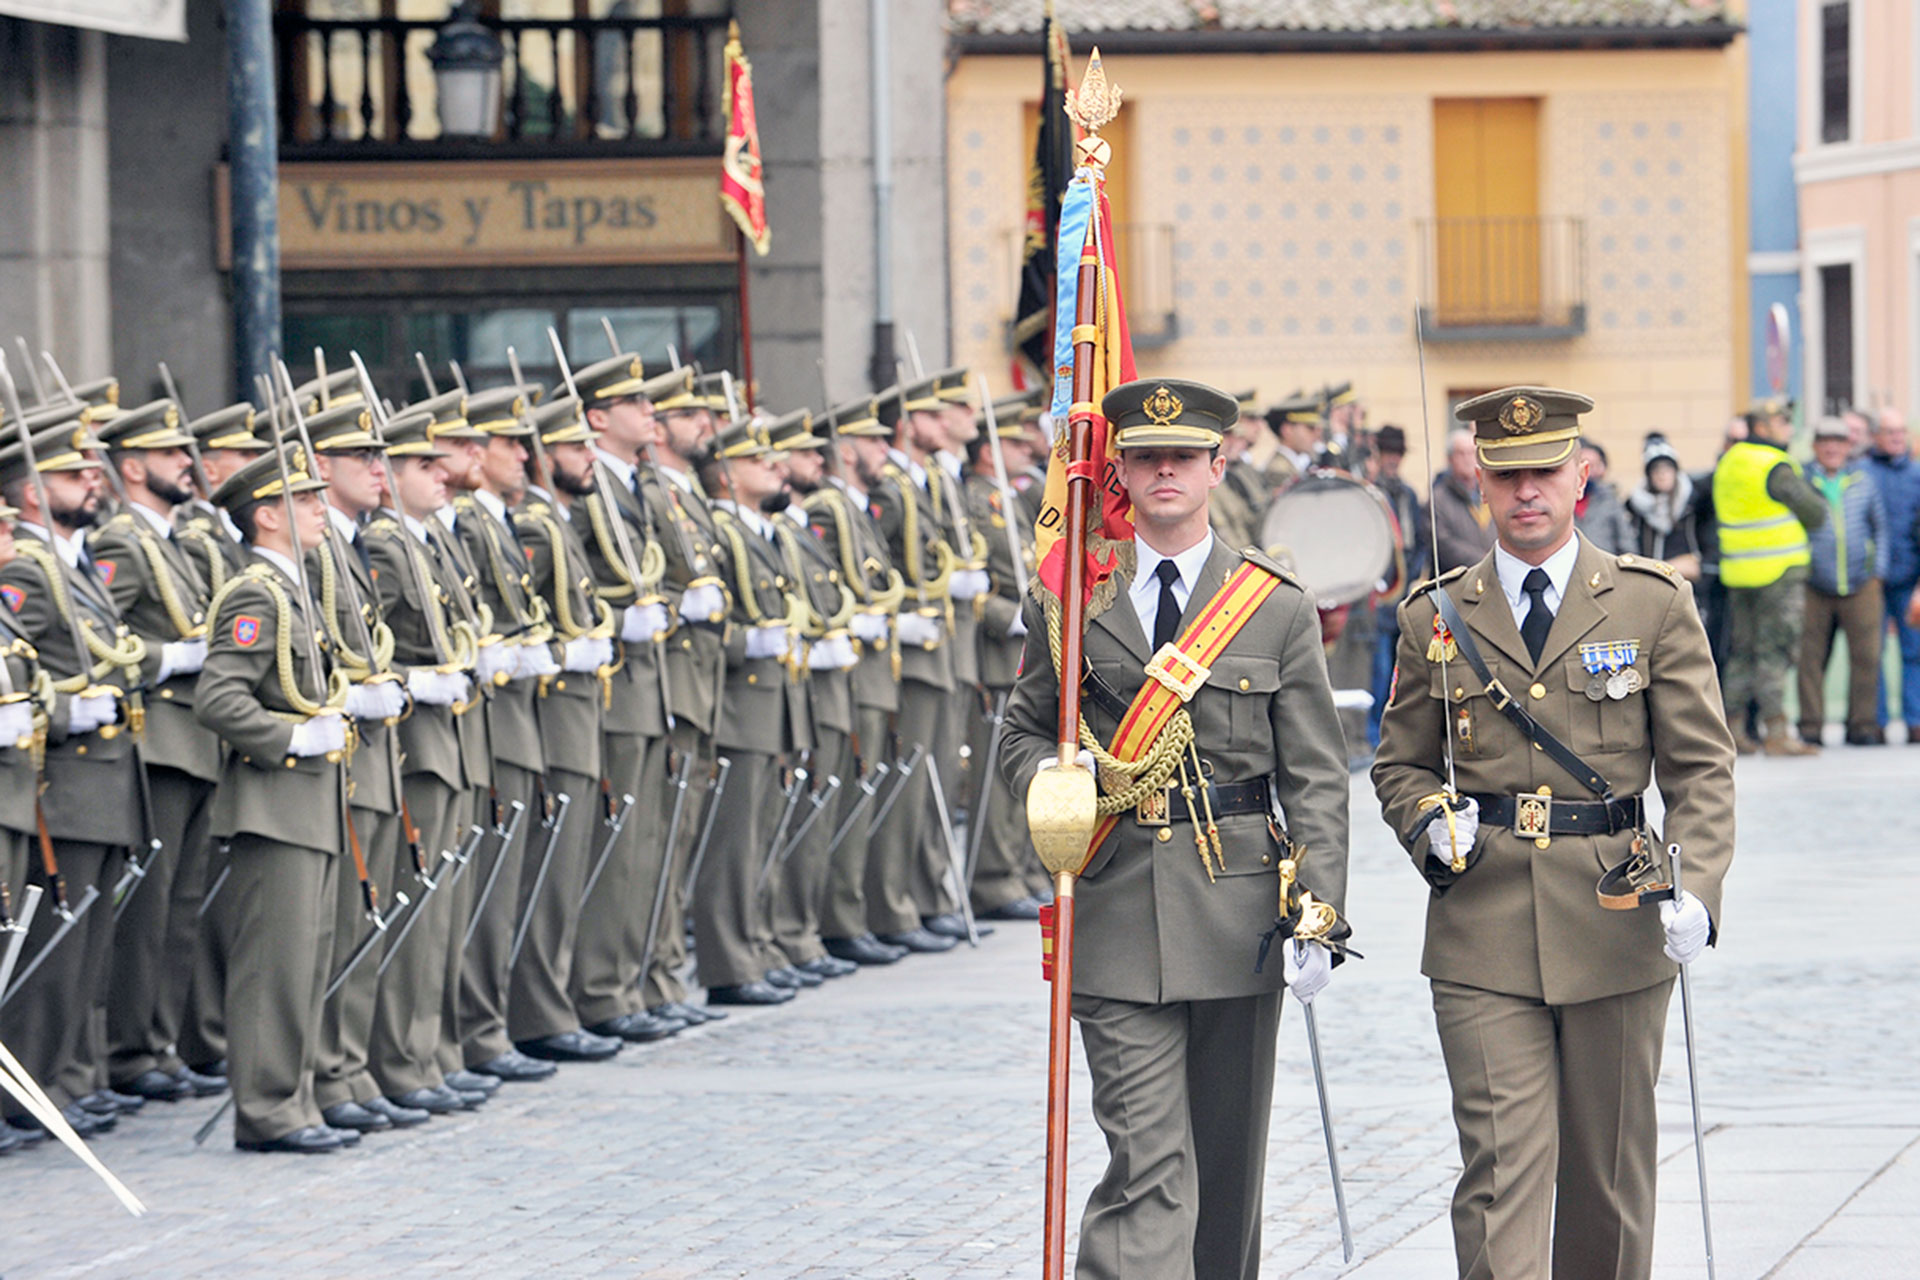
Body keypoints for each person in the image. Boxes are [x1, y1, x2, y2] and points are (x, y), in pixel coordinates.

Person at [1372, 385, 1735, 1280]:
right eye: (1506, 476)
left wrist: (1699, 886)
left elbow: (1700, 768)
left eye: (1544, 473)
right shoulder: (1436, 615)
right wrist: (1428, 823)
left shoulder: (1652, 605)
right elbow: (1401, 765)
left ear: (1581, 477)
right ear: (1480, 489)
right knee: (1498, 1174)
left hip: (1618, 911)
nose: (1525, 491)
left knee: (1609, 1176)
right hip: (1483, 920)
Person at [1001, 377, 1350, 1280]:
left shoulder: (1271, 605)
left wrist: (1320, 910)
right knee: (1149, 1162)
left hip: (1239, 915)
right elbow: (1023, 726)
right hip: (1114, 905)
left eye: (1183, 457)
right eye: (1146, 457)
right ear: (1116, 468)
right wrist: (1055, 782)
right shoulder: (1075, 598)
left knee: (1227, 1171)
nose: (1165, 471)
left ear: (1215, 466)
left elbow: (1313, 774)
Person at [195, 445, 354, 1153]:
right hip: (274, 802)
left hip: (308, 803)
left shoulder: (294, 585)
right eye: (308, 499)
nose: (323, 510)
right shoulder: (256, 592)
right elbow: (218, 697)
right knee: (272, 970)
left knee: (304, 965)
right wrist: (293, 739)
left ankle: (294, 1099)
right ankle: (265, 1110)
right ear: (267, 515)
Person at [0, 418, 145, 1140]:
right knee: (51, 954)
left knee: (85, 952)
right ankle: (26, 1091)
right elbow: (27, 671)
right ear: (30, 493)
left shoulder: (72, 562)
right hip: (69, 781)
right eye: (71, 473)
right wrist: (65, 709)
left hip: (107, 779)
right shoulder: (27, 566)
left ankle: (62, 1079)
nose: (94, 478)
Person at [88, 402, 226, 1107]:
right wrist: (175, 654)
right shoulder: (122, 543)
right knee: (148, 909)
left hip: (195, 738)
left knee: (181, 906)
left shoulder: (171, 541)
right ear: (134, 467)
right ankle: (131, 1048)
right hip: (161, 740)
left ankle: (162, 1042)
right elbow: (95, 639)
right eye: (171, 454)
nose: (188, 463)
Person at [1711, 399, 1827, 755]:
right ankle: (1776, 732)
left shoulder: (1729, 461)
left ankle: (1732, 732)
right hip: (1779, 572)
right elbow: (1815, 512)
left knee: (1742, 652)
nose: (1789, 429)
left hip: (1738, 572)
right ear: (1762, 427)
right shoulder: (1774, 465)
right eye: (1782, 422)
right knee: (1775, 651)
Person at [1799, 416, 1889, 745]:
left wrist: (1878, 572)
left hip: (1861, 583)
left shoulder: (1863, 481)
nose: (1831, 447)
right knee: (1810, 659)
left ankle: (1862, 726)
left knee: (1866, 656)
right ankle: (1810, 726)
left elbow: (1880, 528)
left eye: (1838, 442)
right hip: (1813, 584)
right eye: (1825, 442)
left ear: (1847, 447)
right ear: (1815, 447)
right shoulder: (1803, 480)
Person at [1865, 408, 1920, 739]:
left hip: (1909, 577)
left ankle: (1915, 720)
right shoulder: (1862, 473)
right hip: (1871, 579)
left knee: (1914, 650)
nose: (1897, 437)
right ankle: (1878, 721)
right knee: (1873, 653)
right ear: (1876, 437)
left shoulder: (1917, 475)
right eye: (1890, 431)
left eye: (1902, 431)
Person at [1368, 423, 1424, 746]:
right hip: (1375, 592)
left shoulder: (1407, 493)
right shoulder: (1371, 490)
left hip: (1400, 588)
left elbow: (1418, 541)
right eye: (1388, 453)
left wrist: (1411, 575)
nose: (1393, 460)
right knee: (1378, 664)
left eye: (1397, 454)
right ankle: (1374, 730)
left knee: (1397, 664)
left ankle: (1391, 728)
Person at [1624, 433, 1701, 579]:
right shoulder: (1636, 507)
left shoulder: (1693, 505)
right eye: (1656, 470)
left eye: (1667, 469)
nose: (1662, 475)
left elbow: (1706, 548)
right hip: (1650, 582)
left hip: (1689, 582)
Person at [1431, 427, 1494, 573]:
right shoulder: (1438, 498)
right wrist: (1484, 560)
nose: (1467, 458)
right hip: (1457, 580)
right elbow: (1443, 543)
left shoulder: (1490, 492)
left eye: (1471, 453)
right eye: (1461, 453)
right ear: (1450, 459)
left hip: (1494, 576)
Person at [1572, 440, 1635, 554]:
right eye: (1583, 464)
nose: (1589, 472)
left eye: (1593, 465)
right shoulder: (1562, 501)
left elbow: (1626, 543)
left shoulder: (1610, 500)